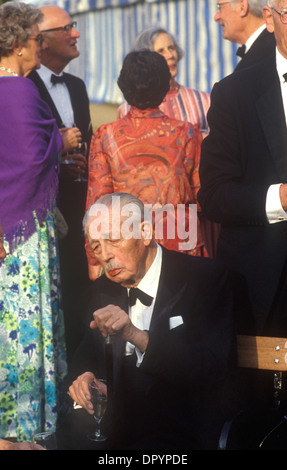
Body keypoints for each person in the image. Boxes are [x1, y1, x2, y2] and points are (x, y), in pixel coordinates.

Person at [65, 192, 239, 450]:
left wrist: (136, 335)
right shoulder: (103, 287)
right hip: (117, 429)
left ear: (145, 233)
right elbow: (86, 351)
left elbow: (214, 370)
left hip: (183, 429)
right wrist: (85, 375)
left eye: (113, 240)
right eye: (97, 246)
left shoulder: (206, 279)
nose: (106, 256)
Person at [0, 2, 80, 443]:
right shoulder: (21, 91)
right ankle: (26, 427)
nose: (37, 46)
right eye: (33, 39)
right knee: (27, 325)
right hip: (24, 235)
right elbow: (32, 160)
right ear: (16, 45)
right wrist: (62, 141)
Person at [198, 0, 286, 339]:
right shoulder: (234, 93)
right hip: (263, 283)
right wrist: (279, 197)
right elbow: (215, 196)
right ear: (269, 18)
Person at [86, 50, 206, 280]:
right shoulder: (186, 133)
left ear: (123, 86)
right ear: (164, 87)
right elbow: (201, 196)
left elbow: (97, 204)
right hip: (179, 239)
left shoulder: (105, 135)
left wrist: (94, 257)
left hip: (127, 243)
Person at [28, 6, 93, 366]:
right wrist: (58, 156)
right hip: (45, 217)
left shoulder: (78, 86)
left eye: (74, 25)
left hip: (81, 210)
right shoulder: (22, 86)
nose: (76, 33)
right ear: (42, 40)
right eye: (67, 28)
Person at [117, 26, 210, 137]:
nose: (170, 55)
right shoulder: (127, 110)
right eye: (161, 51)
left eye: (171, 48)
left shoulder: (203, 101)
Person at [215, 0, 276, 71]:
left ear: (242, 7)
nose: (216, 17)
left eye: (220, 7)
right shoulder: (269, 48)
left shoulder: (268, 55)